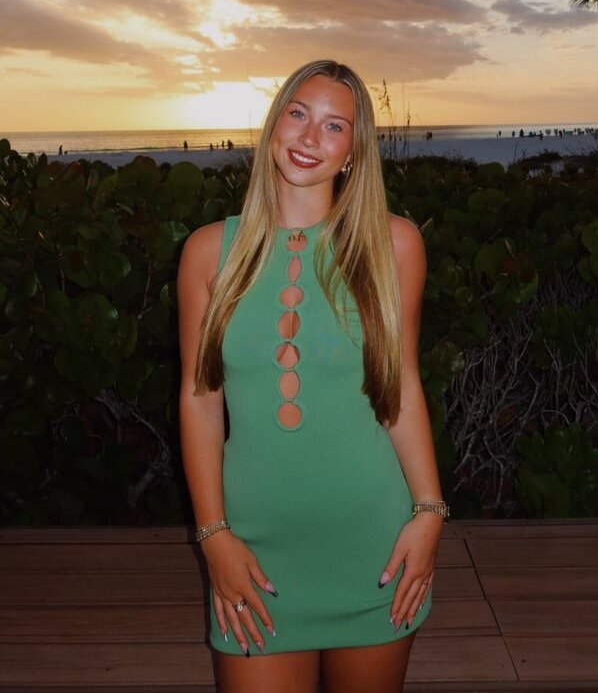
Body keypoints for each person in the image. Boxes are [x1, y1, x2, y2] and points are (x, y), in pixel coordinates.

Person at [178, 60, 446, 693]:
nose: (308, 137)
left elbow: (402, 385)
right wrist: (214, 537)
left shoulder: (394, 245)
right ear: (274, 125)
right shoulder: (208, 253)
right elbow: (200, 400)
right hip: (252, 550)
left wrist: (430, 512)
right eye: (297, 114)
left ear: (354, 151)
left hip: (374, 550)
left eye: (334, 125)